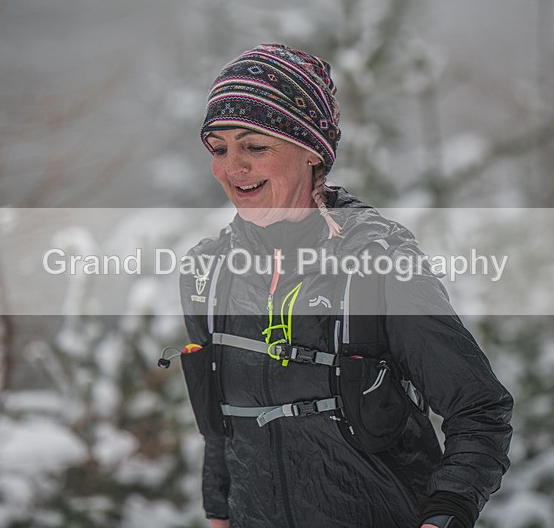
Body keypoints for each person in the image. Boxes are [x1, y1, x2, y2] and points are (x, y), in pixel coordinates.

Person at [178, 44, 513, 528]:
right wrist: (218, 512)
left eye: (255, 146)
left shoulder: (377, 262)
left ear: (312, 150)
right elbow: (223, 429)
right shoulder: (208, 274)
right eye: (219, 148)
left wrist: (447, 513)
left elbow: (480, 409)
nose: (233, 168)